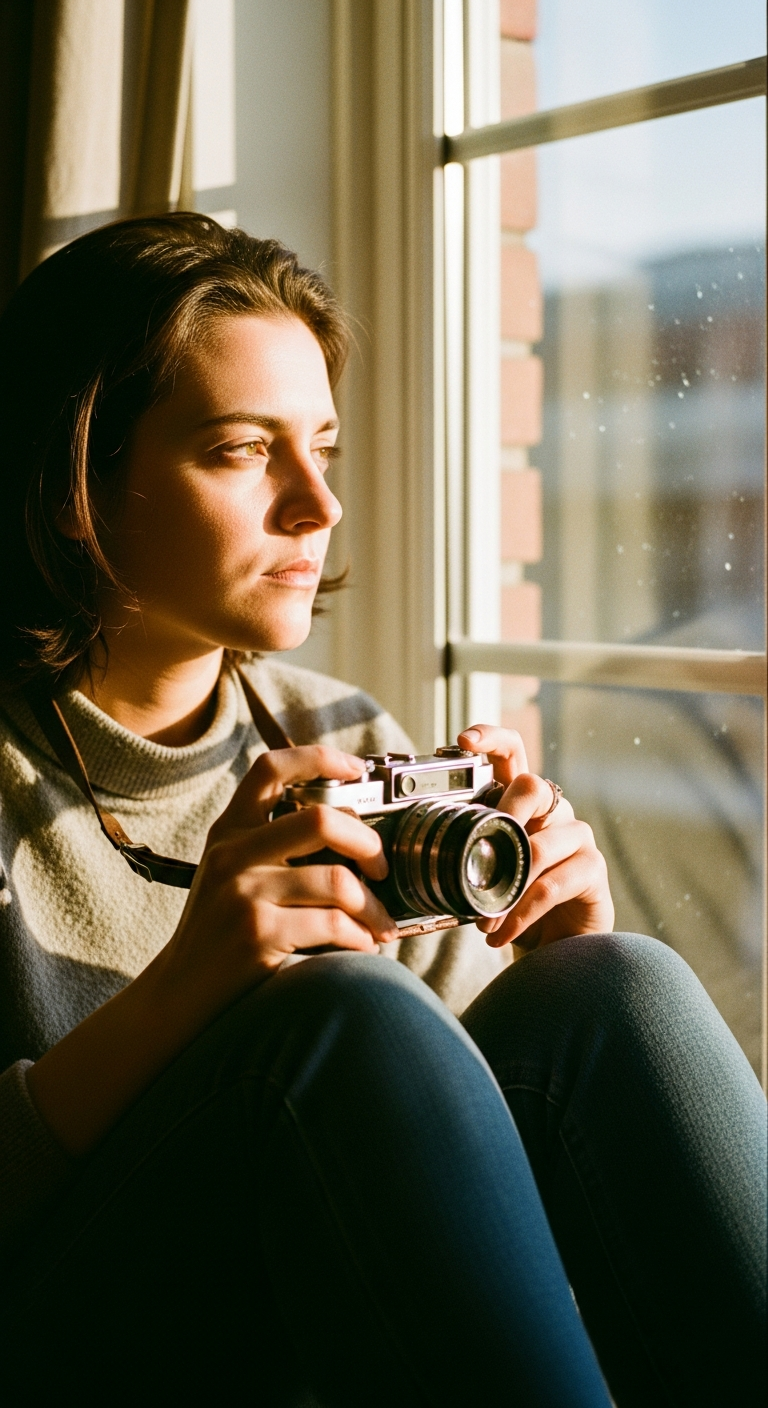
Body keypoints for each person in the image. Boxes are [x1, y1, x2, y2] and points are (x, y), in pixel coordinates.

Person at [0, 214, 763, 1408]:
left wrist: (553, 951)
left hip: (308, 1302)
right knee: (340, 1011)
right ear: (75, 479)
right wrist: (197, 985)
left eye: (325, 449)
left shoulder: (340, 739)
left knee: (623, 985)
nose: (318, 506)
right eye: (245, 451)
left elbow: (465, 1161)